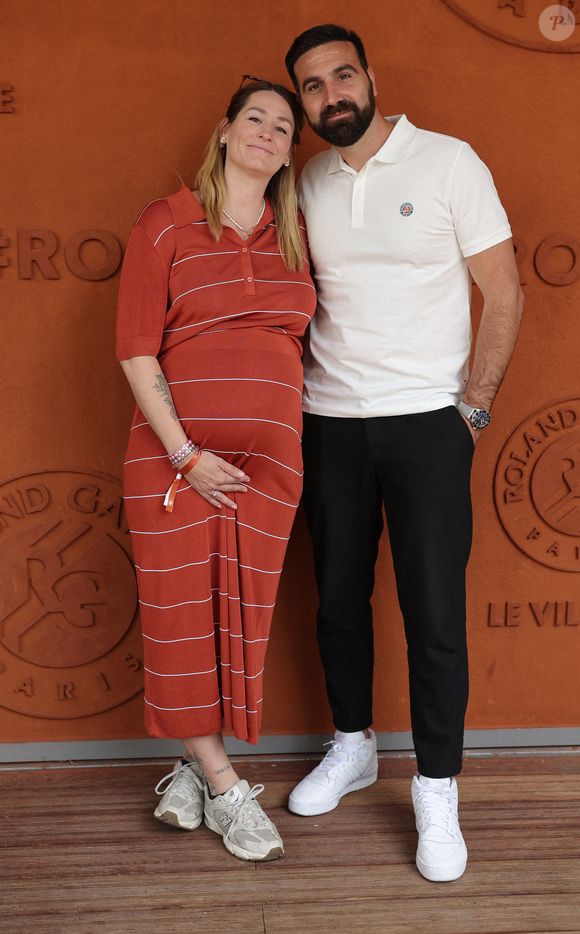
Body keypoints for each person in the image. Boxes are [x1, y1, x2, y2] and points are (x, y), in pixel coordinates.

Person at [284, 24, 524, 882]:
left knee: (434, 616)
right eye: (313, 87)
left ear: (371, 77)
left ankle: (436, 787)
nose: (332, 95)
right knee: (338, 603)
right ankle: (353, 746)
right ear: (304, 104)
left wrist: (473, 410)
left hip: (428, 422)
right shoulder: (305, 181)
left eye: (342, 76)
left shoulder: (450, 162)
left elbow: (504, 290)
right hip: (328, 421)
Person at [116, 77, 315, 862]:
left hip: (269, 467)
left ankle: (190, 771)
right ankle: (227, 786)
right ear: (226, 131)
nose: (267, 132)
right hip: (175, 460)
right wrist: (185, 453)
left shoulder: (296, 233)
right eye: (254, 119)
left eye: (282, 127)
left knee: (236, 617)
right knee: (180, 619)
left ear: (289, 153)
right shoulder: (166, 222)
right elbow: (136, 350)